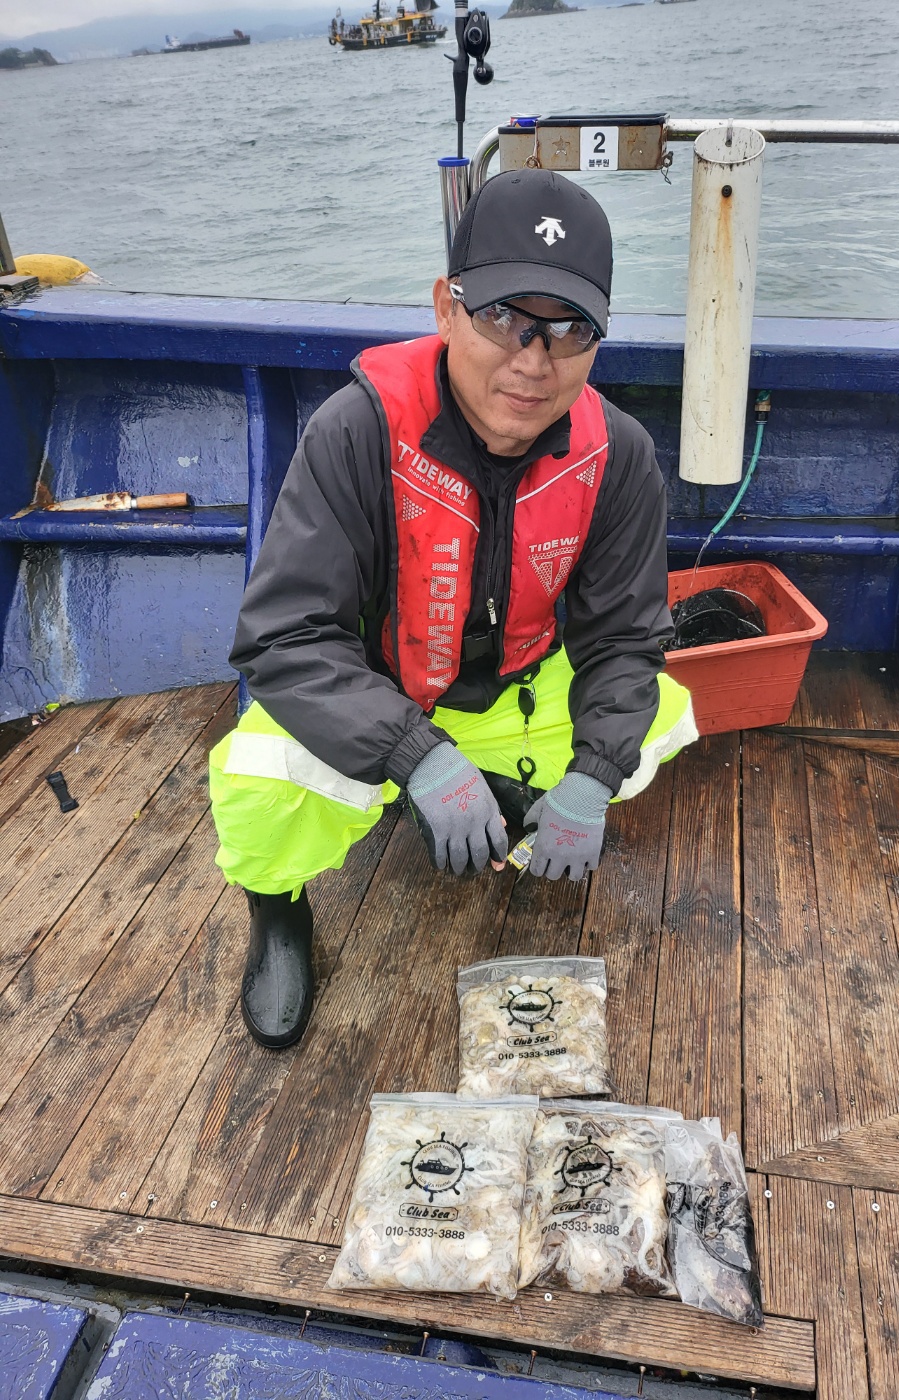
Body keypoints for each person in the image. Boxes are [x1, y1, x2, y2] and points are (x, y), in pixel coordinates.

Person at [209, 169, 698, 1049]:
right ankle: (278, 911)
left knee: (660, 714)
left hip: (517, 684)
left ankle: (525, 799)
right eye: (504, 317)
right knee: (259, 778)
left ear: (597, 342)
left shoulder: (618, 455)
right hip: (380, 689)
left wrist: (594, 775)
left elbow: (626, 640)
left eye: (569, 330)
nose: (533, 360)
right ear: (447, 307)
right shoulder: (356, 431)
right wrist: (417, 756)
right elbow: (283, 636)